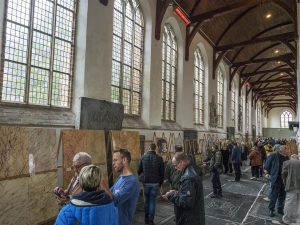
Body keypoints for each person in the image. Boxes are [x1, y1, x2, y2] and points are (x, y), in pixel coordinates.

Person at [162, 152, 205, 225]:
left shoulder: (188, 177)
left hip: (189, 219)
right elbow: (189, 194)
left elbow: (186, 202)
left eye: (175, 165)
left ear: (181, 162)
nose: (175, 168)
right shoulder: (192, 168)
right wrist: (177, 192)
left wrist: (170, 195)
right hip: (195, 215)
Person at [101, 149, 140, 225]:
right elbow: (109, 194)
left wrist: (102, 183)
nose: (113, 163)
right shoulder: (121, 177)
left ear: (124, 160)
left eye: (115, 160)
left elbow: (115, 200)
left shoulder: (132, 182)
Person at [138, 143, 164, 225]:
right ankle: (151, 220)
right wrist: (160, 183)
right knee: (152, 201)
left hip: (146, 182)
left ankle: (146, 218)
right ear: (155, 149)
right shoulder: (159, 158)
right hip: (155, 183)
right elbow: (162, 172)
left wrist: (142, 177)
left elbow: (139, 170)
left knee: (146, 201)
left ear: (148, 148)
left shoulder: (143, 157)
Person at [264, 145, 289, 217]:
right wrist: (268, 173)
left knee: (282, 195)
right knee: (274, 195)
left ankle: (280, 209)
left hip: (284, 180)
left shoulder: (287, 157)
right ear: (282, 150)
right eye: (286, 149)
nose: (288, 151)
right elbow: (266, 165)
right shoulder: (274, 155)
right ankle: (271, 209)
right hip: (276, 179)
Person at [281, 154, 300, 224]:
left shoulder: (287, 163)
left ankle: (286, 220)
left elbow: (283, 174)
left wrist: (285, 184)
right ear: (297, 158)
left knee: (289, 203)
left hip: (291, 186)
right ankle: (298, 221)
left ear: (291, 158)